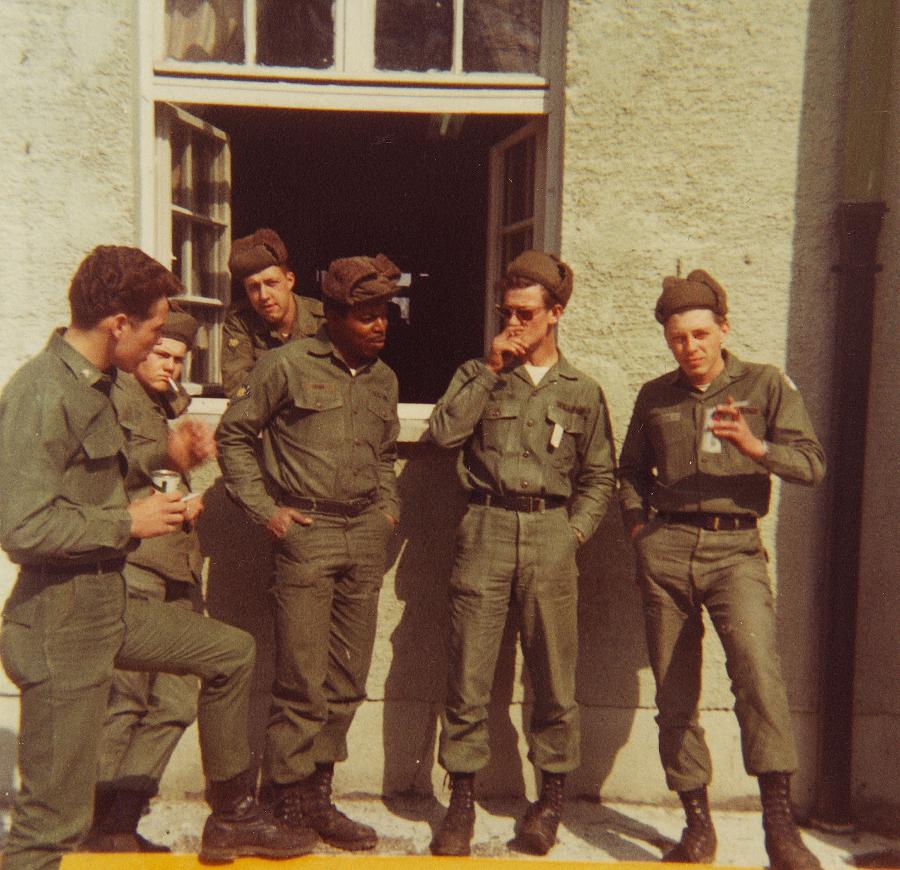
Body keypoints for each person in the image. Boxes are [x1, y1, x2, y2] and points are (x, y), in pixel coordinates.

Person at [0, 246, 315, 870]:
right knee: (50, 823)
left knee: (231, 652)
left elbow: (92, 477)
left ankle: (232, 816)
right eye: (153, 329)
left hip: (106, 605)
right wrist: (129, 522)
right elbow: (21, 526)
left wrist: (166, 457)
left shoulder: (95, 386)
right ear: (120, 323)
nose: (157, 343)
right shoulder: (42, 393)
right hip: (61, 623)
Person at [617, 269, 826, 870]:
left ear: (724, 330)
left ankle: (780, 831)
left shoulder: (764, 384)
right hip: (666, 549)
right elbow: (628, 472)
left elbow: (812, 465)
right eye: (678, 338)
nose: (690, 348)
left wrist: (757, 449)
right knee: (674, 691)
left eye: (701, 334)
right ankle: (697, 827)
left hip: (736, 551)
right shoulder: (655, 396)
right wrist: (638, 530)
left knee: (759, 677)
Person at [427, 251, 616, 857]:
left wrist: (573, 534)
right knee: (468, 671)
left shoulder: (581, 391)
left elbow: (600, 476)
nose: (512, 323)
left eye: (525, 313)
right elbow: (443, 435)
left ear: (554, 314)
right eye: (506, 312)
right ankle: (460, 802)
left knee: (554, 676)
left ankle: (549, 802)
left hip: (549, 534)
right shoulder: (478, 372)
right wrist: (490, 370)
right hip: (485, 528)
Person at [216, 253, 401, 851]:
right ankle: (286, 797)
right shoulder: (286, 365)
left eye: (384, 314)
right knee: (301, 679)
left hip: (363, 535)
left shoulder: (384, 379)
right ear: (337, 316)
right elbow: (233, 436)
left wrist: (387, 509)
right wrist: (266, 510)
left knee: (347, 675)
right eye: (367, 315)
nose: (380, 325)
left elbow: (385, 454)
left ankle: (319, 794)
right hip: (307, 534)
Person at [82, 309, 211, 852]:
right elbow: (111, 471)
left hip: (178, 567)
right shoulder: (111, 397)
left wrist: (190, 499)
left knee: (177, 700)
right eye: (161, 353)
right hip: (134, 567)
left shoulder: (165, 407)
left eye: (179, 360)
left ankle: (122, 819)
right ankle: (98, 826)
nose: (169, 367)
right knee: (127, 698)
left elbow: (160, 482)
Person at [222, 228, 324, 397]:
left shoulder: (322, 319)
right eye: (253, 287)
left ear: (290, 280)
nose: (263, 296)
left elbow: (339, 382)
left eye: (271, 283)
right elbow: (237, 387)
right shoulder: (240, 321)